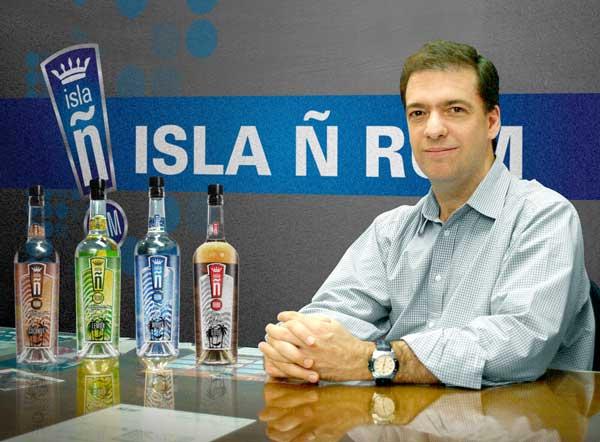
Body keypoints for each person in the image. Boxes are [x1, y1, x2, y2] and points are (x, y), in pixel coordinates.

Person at [258, 40, 594, 389]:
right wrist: (295, 348)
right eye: (418, 113)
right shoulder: (390, 231)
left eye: (455, 110)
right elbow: (327, 320)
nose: (433, 129)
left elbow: (519, 342)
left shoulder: (543, 217)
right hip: (400, 416)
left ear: (492, 122)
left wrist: (374, 360)